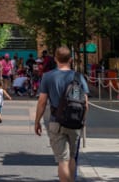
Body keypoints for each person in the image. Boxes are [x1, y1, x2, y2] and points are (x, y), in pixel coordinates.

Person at [34, 46, 89, 182]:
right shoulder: (78, 77)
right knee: (72, 158)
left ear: (55, 59)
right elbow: (85, 103)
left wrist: (37, 121)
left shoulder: (48, 76)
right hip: (75, 121)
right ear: (70, 59)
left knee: (62, 161)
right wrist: (82, 121)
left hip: (56, 121)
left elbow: (42, 102)